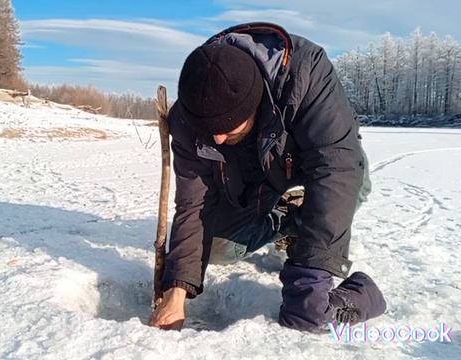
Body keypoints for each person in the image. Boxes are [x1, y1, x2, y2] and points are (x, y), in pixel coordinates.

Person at [148, 22, 386, 332]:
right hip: (254, 183)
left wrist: (309, 275)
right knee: (219, 249)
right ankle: (289, 219)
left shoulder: (307, 73)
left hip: (315, 166)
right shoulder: (189, 113)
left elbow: (336, 169)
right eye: (209, 132)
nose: (217, 140)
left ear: (255, 103)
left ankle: (362, 289)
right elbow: (194, 205)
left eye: (228, 129)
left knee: (308, 313)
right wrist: (175, 292)